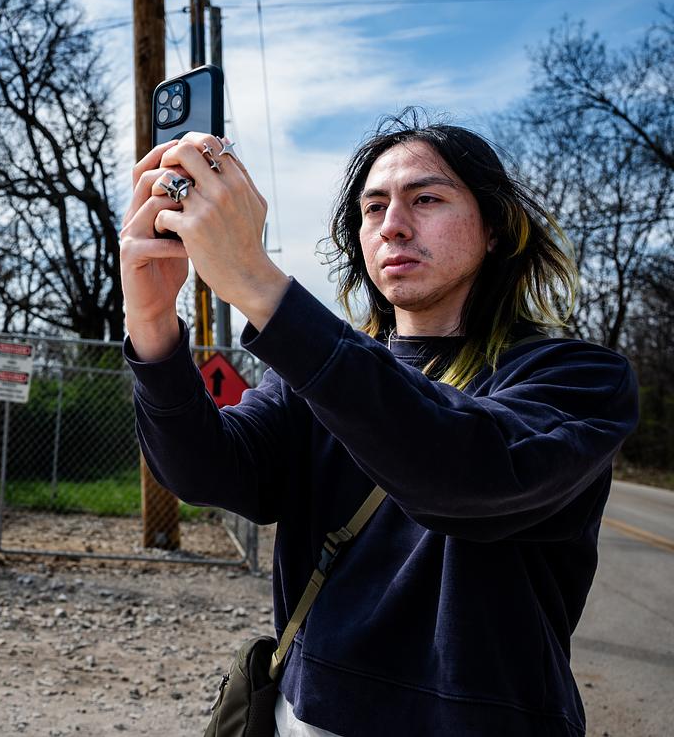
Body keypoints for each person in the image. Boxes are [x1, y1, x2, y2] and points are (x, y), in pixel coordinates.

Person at [118, 112, 639, 736]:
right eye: (373, 208)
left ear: (496, 230)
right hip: (306, 717)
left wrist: (258, 285)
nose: (393, 224)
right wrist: (152, 324)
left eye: (426, 199)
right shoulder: (312, 375)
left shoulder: (579, 377)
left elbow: (466, 477)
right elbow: (208, 472)